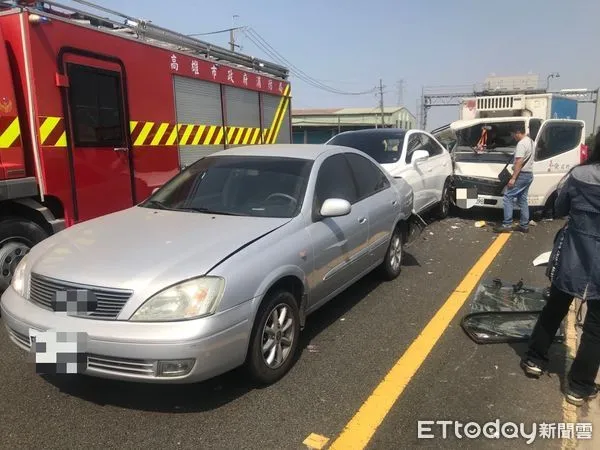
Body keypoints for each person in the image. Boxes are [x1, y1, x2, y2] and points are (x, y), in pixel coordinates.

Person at [520, 133, 600, 406]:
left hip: (574, 256)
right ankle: (579, 386)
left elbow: (559, 205)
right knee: (596, 329)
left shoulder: (579, 175)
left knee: (554, 308)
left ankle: (534, 359)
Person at [493, 124, 535, 233]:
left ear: (517, 132)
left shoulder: (521, 144)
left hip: (521, 175)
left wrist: (513, 178)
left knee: (507, 196)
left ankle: (507, 225)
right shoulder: (531, 141)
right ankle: (524, 225)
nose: (513, 137)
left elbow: (519, 161)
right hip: (529, 174)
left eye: (513, 135)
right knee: (522, 199)